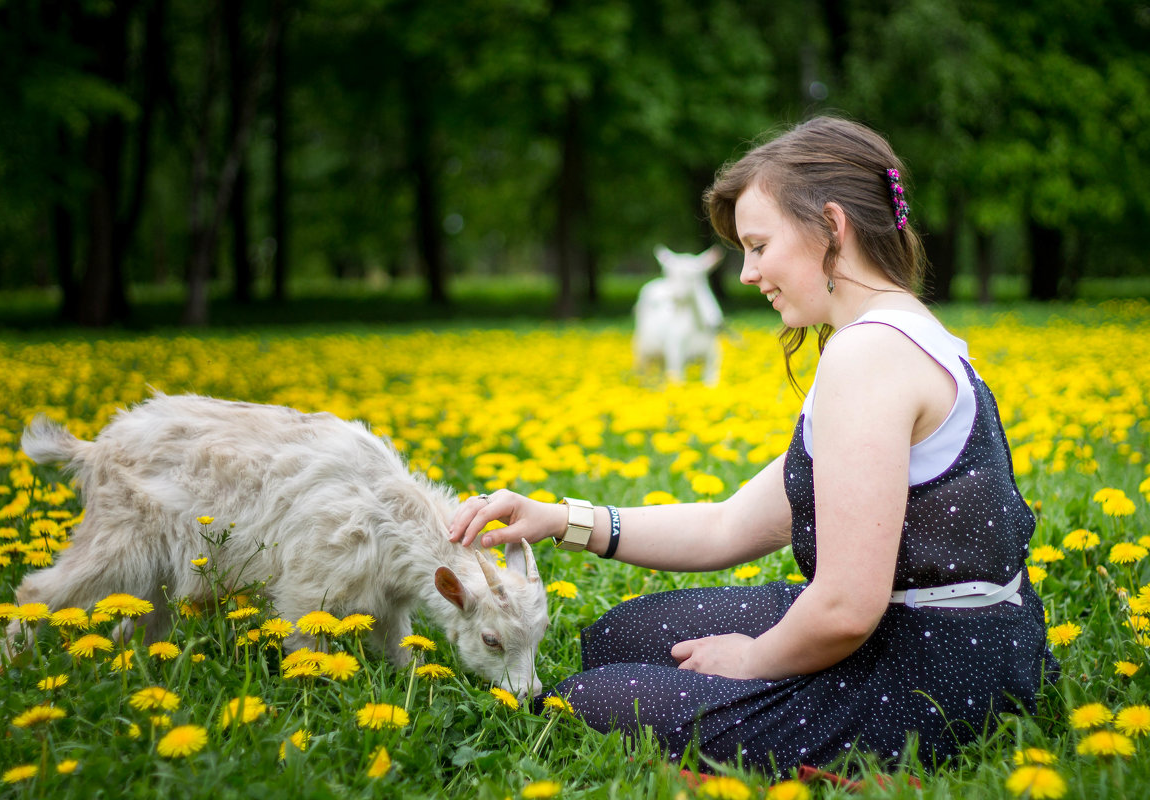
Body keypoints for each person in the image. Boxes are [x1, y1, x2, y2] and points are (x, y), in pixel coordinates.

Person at [447, 116, 1058, 772]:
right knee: (617, 635)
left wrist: (750, 660)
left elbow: (848, 608)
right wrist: (560, 520)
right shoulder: (894, 333)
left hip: (936, 679)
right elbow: (727, 526)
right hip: (953, 640)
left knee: (588, 701)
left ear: (831, 225)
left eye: (759, 245)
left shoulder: (869, 355)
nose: (746, 273)